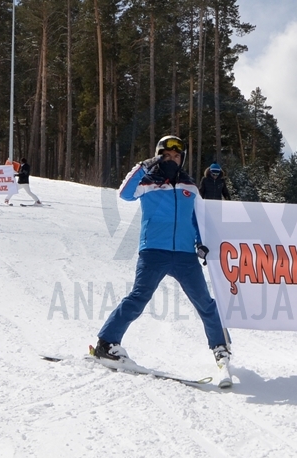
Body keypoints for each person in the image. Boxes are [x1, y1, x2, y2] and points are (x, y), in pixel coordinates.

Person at [94, 135, 231, 369]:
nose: (171, 159)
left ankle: (220, 348)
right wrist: (143, 166)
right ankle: (106, 343)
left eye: (176, 156)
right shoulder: (148, 181)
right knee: (138, 298)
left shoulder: (190, 186)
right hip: (154, 251)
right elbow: (124, 193)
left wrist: (201, 242)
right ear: (158, 157)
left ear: (182, 159)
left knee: (205, 302)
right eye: (166, 155)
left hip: (185, 255)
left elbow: (196, 218)